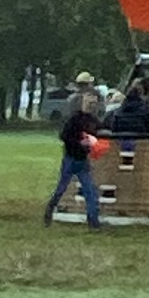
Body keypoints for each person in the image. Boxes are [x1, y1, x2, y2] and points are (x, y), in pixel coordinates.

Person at [44, 75, 107, 228]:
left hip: (82, 160)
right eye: (88, 101)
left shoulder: (93, 121)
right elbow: (64, 136)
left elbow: (101, 130)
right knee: (61, 188)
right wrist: (79, 142)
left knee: (90, 190)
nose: (91, 104)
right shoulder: (74, 119)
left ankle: (93, 222)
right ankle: (50, 209)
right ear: (82, 102)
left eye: (93, 102)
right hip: (71, 159)